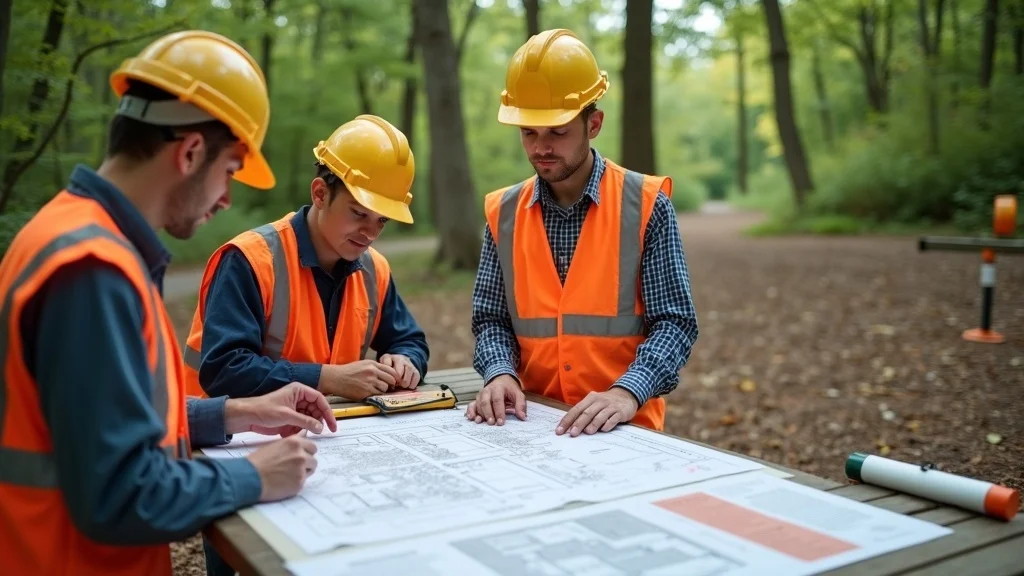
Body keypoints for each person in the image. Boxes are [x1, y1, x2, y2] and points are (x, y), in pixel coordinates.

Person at [0, 31, 339, 575]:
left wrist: (234, 413)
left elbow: (94, 418)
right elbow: (116, 492)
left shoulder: (72, 235)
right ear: (189, 152)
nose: (227, 198)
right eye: (229, 172)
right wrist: (254, 475)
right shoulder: (92, 270)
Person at [466, 28, 699, 436]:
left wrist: (627, 392)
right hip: (530, 423)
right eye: (528, 132)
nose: (541, 147)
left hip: (625, 429)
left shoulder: (646, 205)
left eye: (557, 132)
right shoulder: (502, 213)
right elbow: (491, 319)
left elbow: (675, 323)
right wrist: (499, 373)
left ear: (594, 124)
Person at [181, 114, 429, 403]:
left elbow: (409, 339)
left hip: (326, 432)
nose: (370, 233)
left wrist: (406, 360)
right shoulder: (249, 260)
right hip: (219, 436)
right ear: (321, 194)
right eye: (359, 213)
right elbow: (225, 370)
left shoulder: (375, 270)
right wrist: (328, 378)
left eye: (382, 220)